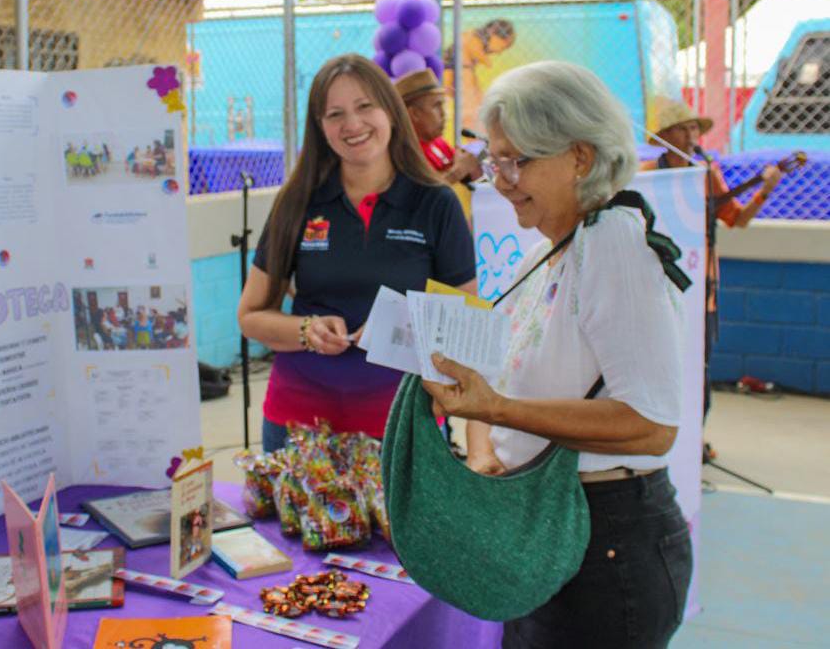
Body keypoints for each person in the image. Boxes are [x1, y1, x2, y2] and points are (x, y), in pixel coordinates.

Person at [421, 61, 692, 647]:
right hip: (551, 527)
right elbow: (492, 383)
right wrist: (483, 452)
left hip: (605, 539)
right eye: (494, 161)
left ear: (580, 157)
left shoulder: (613, 244)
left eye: (516, 161)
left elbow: (652, 426)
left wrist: (496, 411)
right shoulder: (549, 255)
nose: (500, 181)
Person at [237, 53, 476, 452]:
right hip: (299, 431)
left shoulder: (436, 203)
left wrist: (399, 325)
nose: (352, 124)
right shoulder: (298, 202)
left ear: (391, 112)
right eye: (335, 114)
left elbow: (465, 318)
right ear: (321, 127)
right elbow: (251, 316)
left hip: (404, 426)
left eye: (365, 106)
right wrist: (305, 331)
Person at [641, 98, 782, 422]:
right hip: (656, 283)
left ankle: (695, 434)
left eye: (694, 128)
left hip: (700, 284)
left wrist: (765, 190)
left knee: (698, 362)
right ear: (666, 135)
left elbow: (737, 219)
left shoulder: (705, 175)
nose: (692, 135)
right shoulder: (647, 176)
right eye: (683, 128)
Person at [395, 68, 484, 225]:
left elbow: (465, 170)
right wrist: (458, 171)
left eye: (443, 105)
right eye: (436, 106)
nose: (444, 114)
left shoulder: (437, 142)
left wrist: (476, 165)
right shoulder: (402, 150)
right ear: (414, 114)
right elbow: (419, 196)